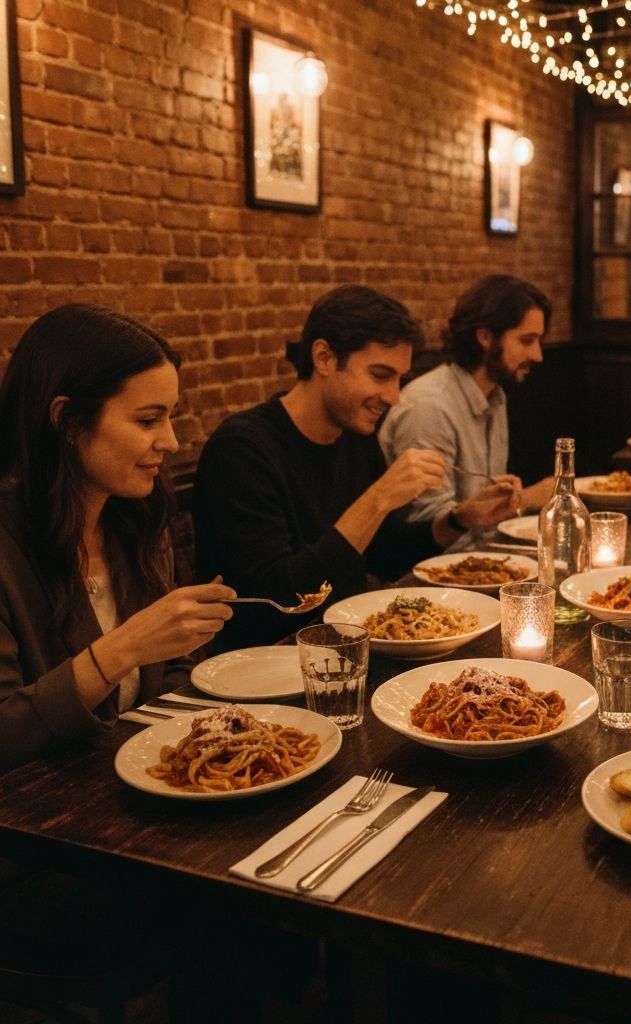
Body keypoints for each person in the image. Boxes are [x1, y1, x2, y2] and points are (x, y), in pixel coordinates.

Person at [193, 284, 520, 651]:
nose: (394, 397)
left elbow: (384, 553)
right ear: (324, 358)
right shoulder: (242, 449)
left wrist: (458, 520)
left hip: (348, 650)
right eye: (381, 375)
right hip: (264, 666)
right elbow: (282, 601)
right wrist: (377, 498)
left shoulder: (354, 435)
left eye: (400, 379)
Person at [0, 305, 234, 771]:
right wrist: (124, 647)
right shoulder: (9, 547)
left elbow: (175, 669)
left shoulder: (136, 519)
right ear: (67, 421)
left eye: (170, 417)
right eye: (148, 420)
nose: (169, 440)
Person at [379, 274, 554, 522]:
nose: (537, 355)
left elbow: (486, 509)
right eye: (527, 340)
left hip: (481, 551)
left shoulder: (495, 396)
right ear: (485, 337)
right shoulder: (429, 406)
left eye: (539, 341)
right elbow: (427, 523)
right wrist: (526, 498)